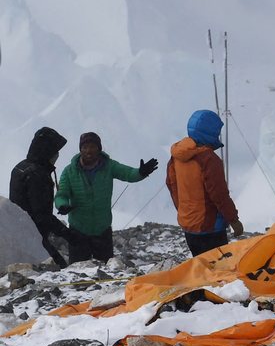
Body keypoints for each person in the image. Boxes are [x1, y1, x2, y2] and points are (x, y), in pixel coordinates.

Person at [53, 132, 158, 263]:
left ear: (99, 149)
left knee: (105, 270)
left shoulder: (109, 166)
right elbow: (62, 193)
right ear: (80, 150)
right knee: (78, 273)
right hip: (78, 231)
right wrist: (62, 204)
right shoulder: (69, 171)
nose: (88, 151)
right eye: (84, 147)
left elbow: (128, 173)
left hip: (102, 230)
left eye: (92, 147)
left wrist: (141, 172)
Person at [166, 110, 242, 257]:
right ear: (210, 133)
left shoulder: (176, 157)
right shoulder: (208, 160)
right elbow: (219, 195)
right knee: (218, 271)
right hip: (210, 227)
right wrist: (234, 219)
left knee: (201, 268)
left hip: (189, 226)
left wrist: (185, 213)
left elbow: (172, 186)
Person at [9, 127, 74, 267]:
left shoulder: (20, 167)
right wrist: (68, 234)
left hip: (18, 232)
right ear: (48, 151)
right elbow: (42, 215)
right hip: (34, 237)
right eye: (55, 151)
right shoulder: (38, 175)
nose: (57, 155)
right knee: (59, 269)